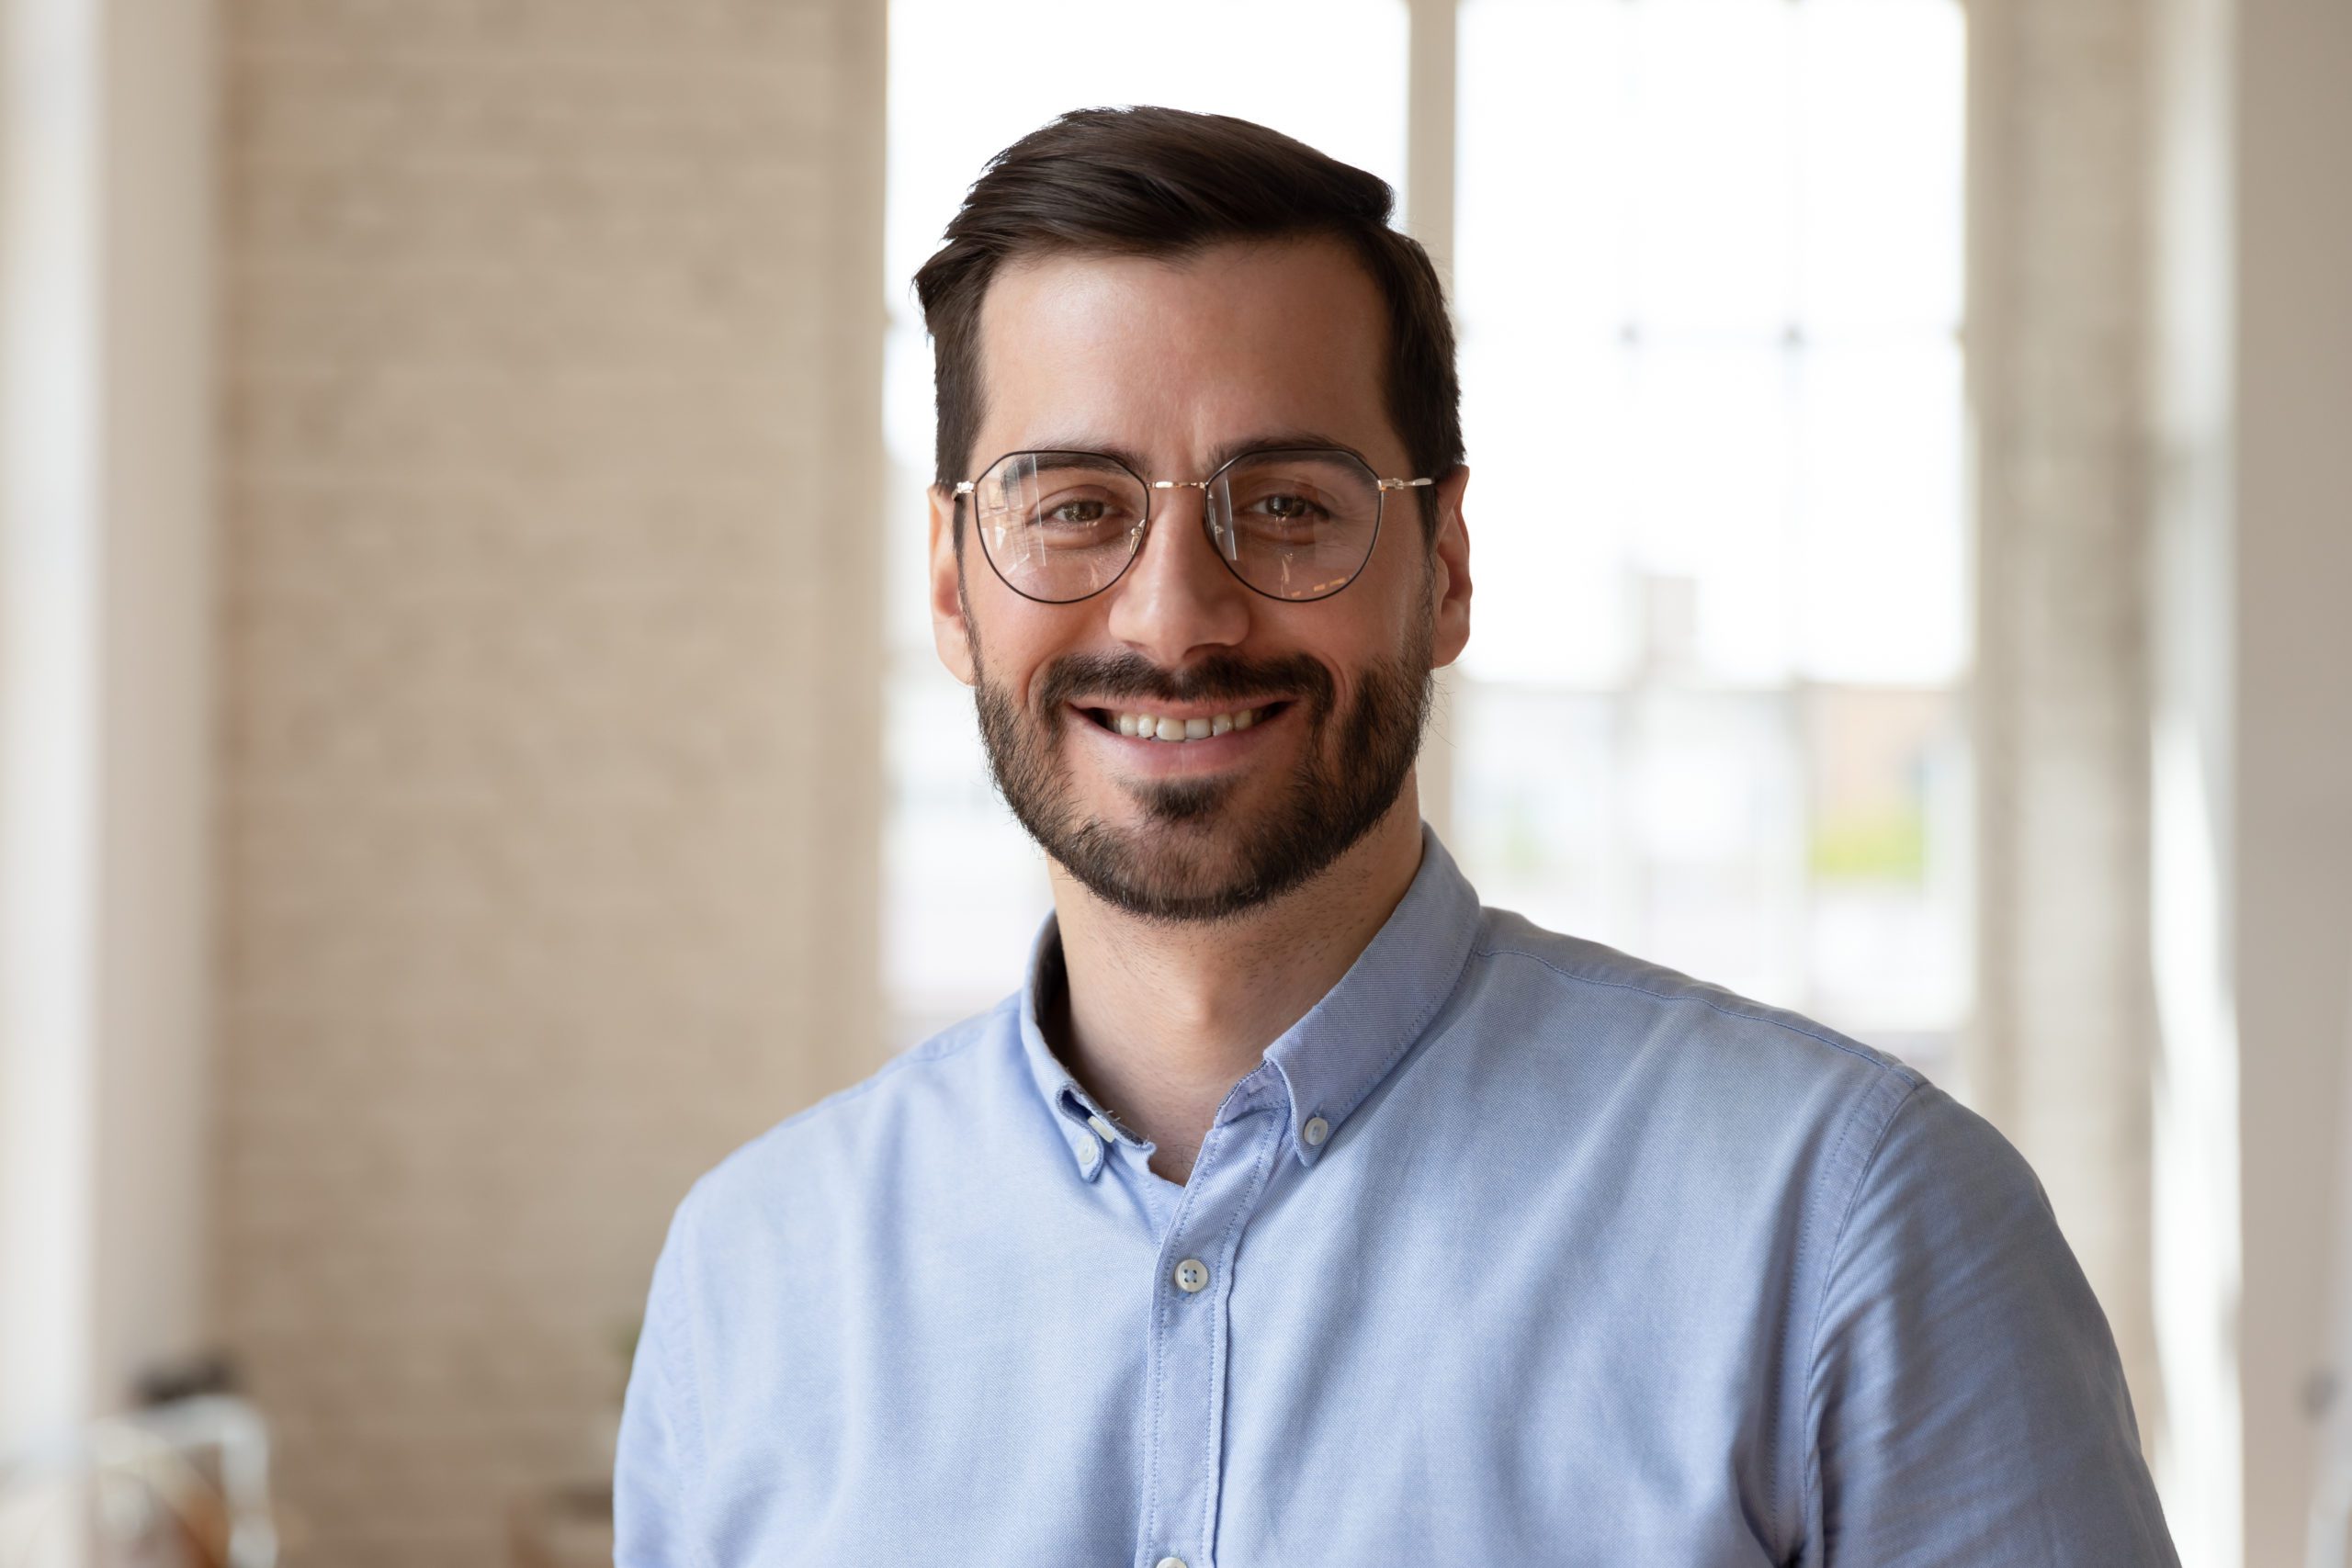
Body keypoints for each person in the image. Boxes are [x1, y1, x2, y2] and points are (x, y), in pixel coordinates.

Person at [615, 106, 2179, 1566]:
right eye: (1074, 504)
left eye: (1289, 503)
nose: (1178, 617)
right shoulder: (751, 1277)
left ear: (1445, 571)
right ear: (956, 586)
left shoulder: (1855, 1227)